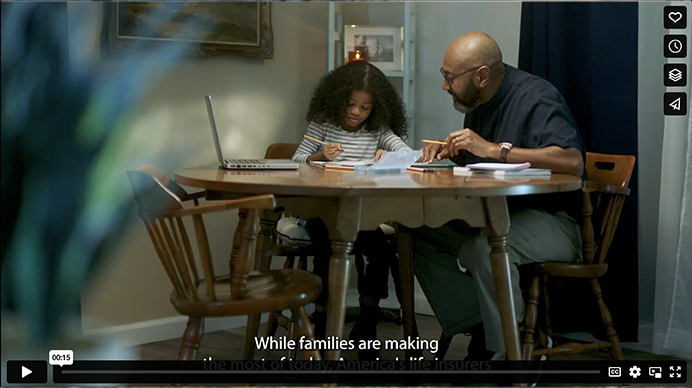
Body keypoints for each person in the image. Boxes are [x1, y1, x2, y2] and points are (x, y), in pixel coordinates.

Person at [415, 32, 586, 360]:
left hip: (554, 222)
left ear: (481, 76)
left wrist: (494, 149)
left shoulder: (536, 97)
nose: (444, 85)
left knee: (485, 247)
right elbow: (488, 167)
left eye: (449, 77)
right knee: (420, 231)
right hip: (495, 216)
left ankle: (512, 352)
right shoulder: (478, 102)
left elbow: (572, 161)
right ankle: (484, 326)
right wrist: (454, 153)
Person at [290, 60, 411, 359]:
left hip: (359, 214)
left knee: (381, 250)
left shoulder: (378, 130)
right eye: (350, 104)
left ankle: (368, 321)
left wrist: (388, 156)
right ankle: (322, 317)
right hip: (321, 210)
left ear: (376, 108)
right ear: (337, 98)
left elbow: (408, 154)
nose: (356, 112)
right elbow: (297, 158)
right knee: (325, 243)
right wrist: (319, 154)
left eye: (365, 107)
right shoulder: (324, 122)